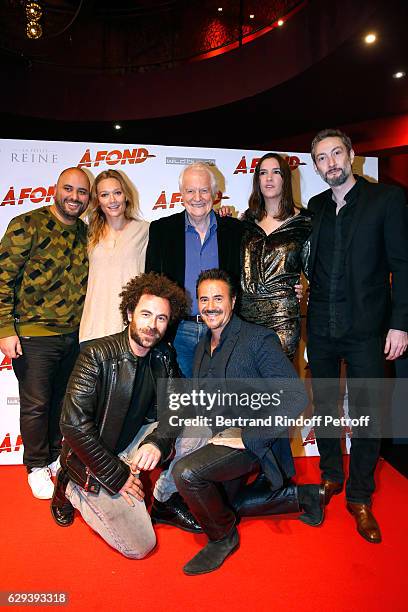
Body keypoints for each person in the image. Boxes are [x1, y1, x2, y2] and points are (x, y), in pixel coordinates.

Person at [169, 269, 324, 575]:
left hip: (256, 441)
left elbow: (294, 396)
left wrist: (248, 436)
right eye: (204, 299)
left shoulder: (257, 339)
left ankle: (223, 538)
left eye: (218, 298)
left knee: (186, 474)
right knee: (219, 503)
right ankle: (305, 495)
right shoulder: (203, 345)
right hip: (221, 439)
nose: (210, 305)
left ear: (234, 301)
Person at [51, 272, 201, 557]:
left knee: (198, 429)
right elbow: (72, 424)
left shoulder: (163, 356)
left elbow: (180, 405)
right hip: (90, 460)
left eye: (161, 318)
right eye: (146, 314)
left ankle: (163, 499)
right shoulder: (96, 354)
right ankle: (68, 487)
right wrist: (117, 476)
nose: (152, 325)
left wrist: (158, 441)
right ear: (130, 313)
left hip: (131, 444)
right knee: (141, 545)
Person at [307, 128, 408, 543]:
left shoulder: (386, 199)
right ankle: (331, 474)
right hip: (322, 327)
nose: (330, 162)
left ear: (352, 154)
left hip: (368, 328)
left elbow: (403, 265)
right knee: (327, 407)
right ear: (315, 166)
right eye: (321, 158)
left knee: (368, 416)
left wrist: (400, 322)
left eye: (336, 153)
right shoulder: (314, 207)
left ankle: (360, 495)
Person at [0, 167, 90, 499]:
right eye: (69, 189)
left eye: (82, 192)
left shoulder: (84, 231)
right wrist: (5, 329)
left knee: (60, 402)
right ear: (56, 189)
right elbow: (3, 278)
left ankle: (54, 457)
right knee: (36, 404)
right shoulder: (28, 224)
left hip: (73, 335)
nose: (75, 197)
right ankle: (36, 466)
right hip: (34, 335)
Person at [145, 162, 243, 377]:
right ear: (181, 194)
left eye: (204, 190)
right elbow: (151, 283)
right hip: (179, 332)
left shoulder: (234, 230)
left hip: (223, 330)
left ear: (215, 194)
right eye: (190, 190)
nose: (197, 197)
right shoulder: (161, 230)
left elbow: (246, 277)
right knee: (184, 401)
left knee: (222, 399)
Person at [240, 153, 312, 360]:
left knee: (278, 384)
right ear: (257, 180)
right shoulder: (245, 222)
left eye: (276, 172)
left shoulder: (305, 221)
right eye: (263, 173)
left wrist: (304, 289)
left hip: (283, 317)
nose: (269, 178)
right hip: (245, 319)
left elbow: (316, 270)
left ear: (285, 179)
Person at [79, 169, 149, 343]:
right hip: (92, 329)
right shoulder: (88, 233)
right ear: (97, 201)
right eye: (104, 195)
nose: (112, 200)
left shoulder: (146, 230)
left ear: (126, 195)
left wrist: (223, 216)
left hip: (130, 329)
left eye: (117, 193)